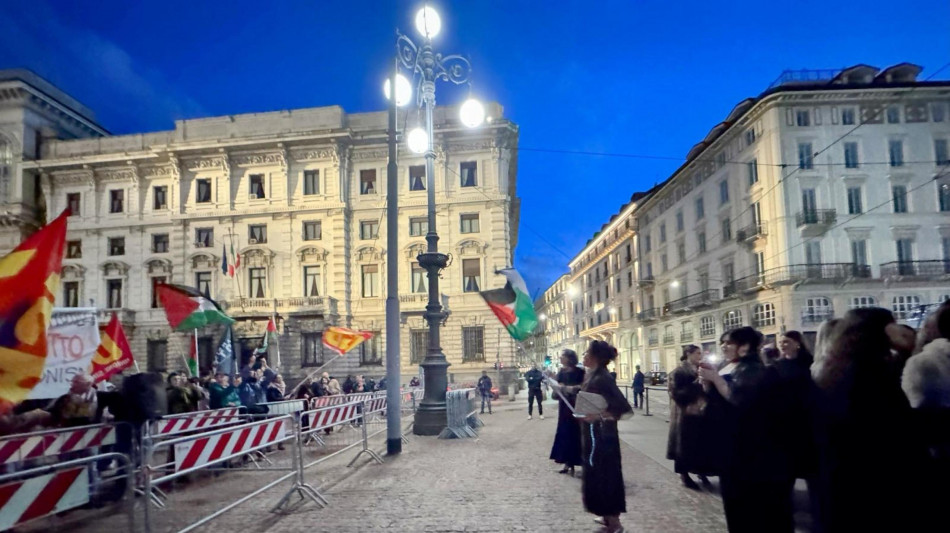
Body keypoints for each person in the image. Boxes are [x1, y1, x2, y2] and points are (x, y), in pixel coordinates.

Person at [812, 308, 927, 532]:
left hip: (844, 486)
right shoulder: (869, 374)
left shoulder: (836, 369)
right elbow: (896, 429)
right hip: (875, 487)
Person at [699, 327, 791, 533]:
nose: (724, 346)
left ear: (745, 346)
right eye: (723, 342)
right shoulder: (728, 367)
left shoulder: (755, 369)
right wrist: (708, 384)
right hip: (730, 447)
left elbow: (739, 399)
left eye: (729, 342)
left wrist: (715, 379)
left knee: (749, 507)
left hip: (749, 450)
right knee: (735, 504)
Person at [567, 340, 632, 533]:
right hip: (592, 435)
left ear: (596, 357)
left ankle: (615, 522)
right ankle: (605, 515)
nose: (584, 355)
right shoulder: (591, 376)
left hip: (603, 438)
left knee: (606, 477)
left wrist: (598, 416)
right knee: (596, 476)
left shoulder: (602, 378)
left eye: (587, 352)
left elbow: (622, 407)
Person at [667, 345, 715, 490]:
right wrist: (697, 385)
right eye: (697, 353)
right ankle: (684, 475)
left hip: (700, 412)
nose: (700, 356)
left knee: (700, 443)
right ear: (688, 354)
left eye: (700, 353)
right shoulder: (679, 371)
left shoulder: (701, 369)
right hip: (684, 412)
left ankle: (701, 471)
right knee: (683, 444)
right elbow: (675, 391)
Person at [549, 349, 585, 476]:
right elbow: (556, 391)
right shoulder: (561, 372)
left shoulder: (580, 372)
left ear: (569, 358)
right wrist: (556, 387)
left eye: (562, 356)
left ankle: (580, 461)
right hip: (564, 408)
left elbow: (584, 387)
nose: (560, 358)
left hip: (576, 405)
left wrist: (571, 389)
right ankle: (567, 462)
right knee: (565, 433)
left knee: (577, 434)